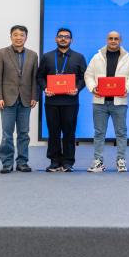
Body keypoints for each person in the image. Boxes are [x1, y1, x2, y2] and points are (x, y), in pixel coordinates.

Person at [84, 31, 129, 172]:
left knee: (121, 133)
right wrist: (93, 88)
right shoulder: (97, 57)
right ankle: (98, 162)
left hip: (119, 102)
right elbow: (88, 75)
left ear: (120, 40)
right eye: (111, 38)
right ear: (107, 40)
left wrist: (126, 88)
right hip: (99, 102)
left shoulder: (128, 58)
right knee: (99, 133)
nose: (113, 41)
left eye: (116, 39)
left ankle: (121, 161)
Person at [37, 27, 87, 173]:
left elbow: (84, 77)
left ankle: (68, 162)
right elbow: (40, 76)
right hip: (52, 101)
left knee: (69, 133)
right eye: (60, 36)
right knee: (53, 132)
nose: (63, 39)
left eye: (66, 36)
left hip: (70, 102)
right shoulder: (47, 57)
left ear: (71, 40)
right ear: (56, 39)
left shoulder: (79, 57)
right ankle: (54, 161)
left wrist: (77, 88)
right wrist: (45, 88)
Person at [0, 25, 39, 173]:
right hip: (7, 99)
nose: (18, 38)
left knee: (24, 133)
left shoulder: (33, 55)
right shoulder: (1, 53)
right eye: (15, 35)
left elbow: (35, 78)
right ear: (11, 36)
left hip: (26, 99)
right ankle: (7, 163)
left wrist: (34, 96)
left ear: (26, 37)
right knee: (7, 134)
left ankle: (22, 162)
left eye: (21, 35)